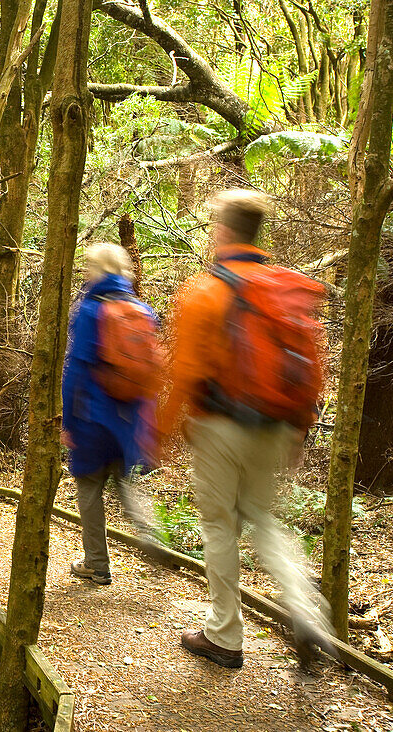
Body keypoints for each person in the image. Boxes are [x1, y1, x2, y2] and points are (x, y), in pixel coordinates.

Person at [156, 189, 334, 669]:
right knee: (262, 518)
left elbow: (186, 373)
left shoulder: (205, 292)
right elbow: (311, 363)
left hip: (220, 426)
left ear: (223, 231)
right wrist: (300, 426)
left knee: (220, 525)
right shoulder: (283, 288)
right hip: (274, 425)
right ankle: (305, 610)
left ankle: (224, 635)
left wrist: (163, 433)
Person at [61, 242, 158, 586]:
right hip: (129, 419)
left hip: (94, 417)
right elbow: (151, 374)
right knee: (124, 480)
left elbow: (77, 371)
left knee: (88, 486)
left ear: (98, 271)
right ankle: (151, 534)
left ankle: (96, 563)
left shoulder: (91, 310)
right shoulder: (143, 311)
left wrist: (68, 421)